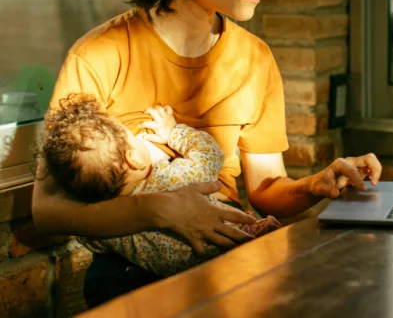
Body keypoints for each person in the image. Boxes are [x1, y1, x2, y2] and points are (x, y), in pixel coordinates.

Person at [30, 0, 383, 307]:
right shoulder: (100, 55)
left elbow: (267, 190)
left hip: (228, 253)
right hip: (135, 269)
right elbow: (47, 209)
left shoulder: (254, 59)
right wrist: (160, 208)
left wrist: (317, 184)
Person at [42, 93, 281, 277]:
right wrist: (172, 133)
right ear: (133, 159)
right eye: (133, 138)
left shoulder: (111, 228)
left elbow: (89, 238)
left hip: (187, 280)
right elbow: (211, 154)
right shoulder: (173, 179)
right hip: (235, 247)